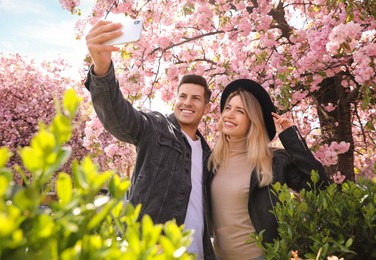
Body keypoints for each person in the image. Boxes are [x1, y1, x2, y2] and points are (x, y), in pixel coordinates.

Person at [84, 20, 215, 259]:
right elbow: (119, 117)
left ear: (206, 107)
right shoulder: (155, 127)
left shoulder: (210, 155)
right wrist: (102, 69)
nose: (187, 102)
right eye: (182, 96)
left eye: (195, 98)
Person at [207, 79, 329, 260]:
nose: (229, 115)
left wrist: (291, 137)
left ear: (253, 121)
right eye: (228, 108)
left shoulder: (274, 161)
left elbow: (320, 186)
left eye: (240, 111)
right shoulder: (211, 161)